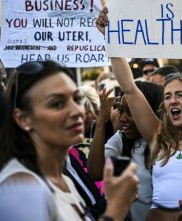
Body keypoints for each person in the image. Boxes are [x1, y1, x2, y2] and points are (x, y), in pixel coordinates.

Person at [96, 7, 182, 220]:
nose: (172, 101)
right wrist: (110, 38)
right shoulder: (159, 137)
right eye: (168, 96)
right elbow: (130, 88)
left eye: (180, 94)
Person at [0, 60, 139, 221]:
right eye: (57, 103)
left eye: (76, 99)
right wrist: (114, 209)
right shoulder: (21, 187)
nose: (77, 111)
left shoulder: (63, 178)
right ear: (23, 118)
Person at [88, 80, 163, 221]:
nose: (122, 118)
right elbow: (95, 172)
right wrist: (101, 121)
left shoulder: (168, 141)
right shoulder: (121, 139)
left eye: (131, 112)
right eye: (121, 110)